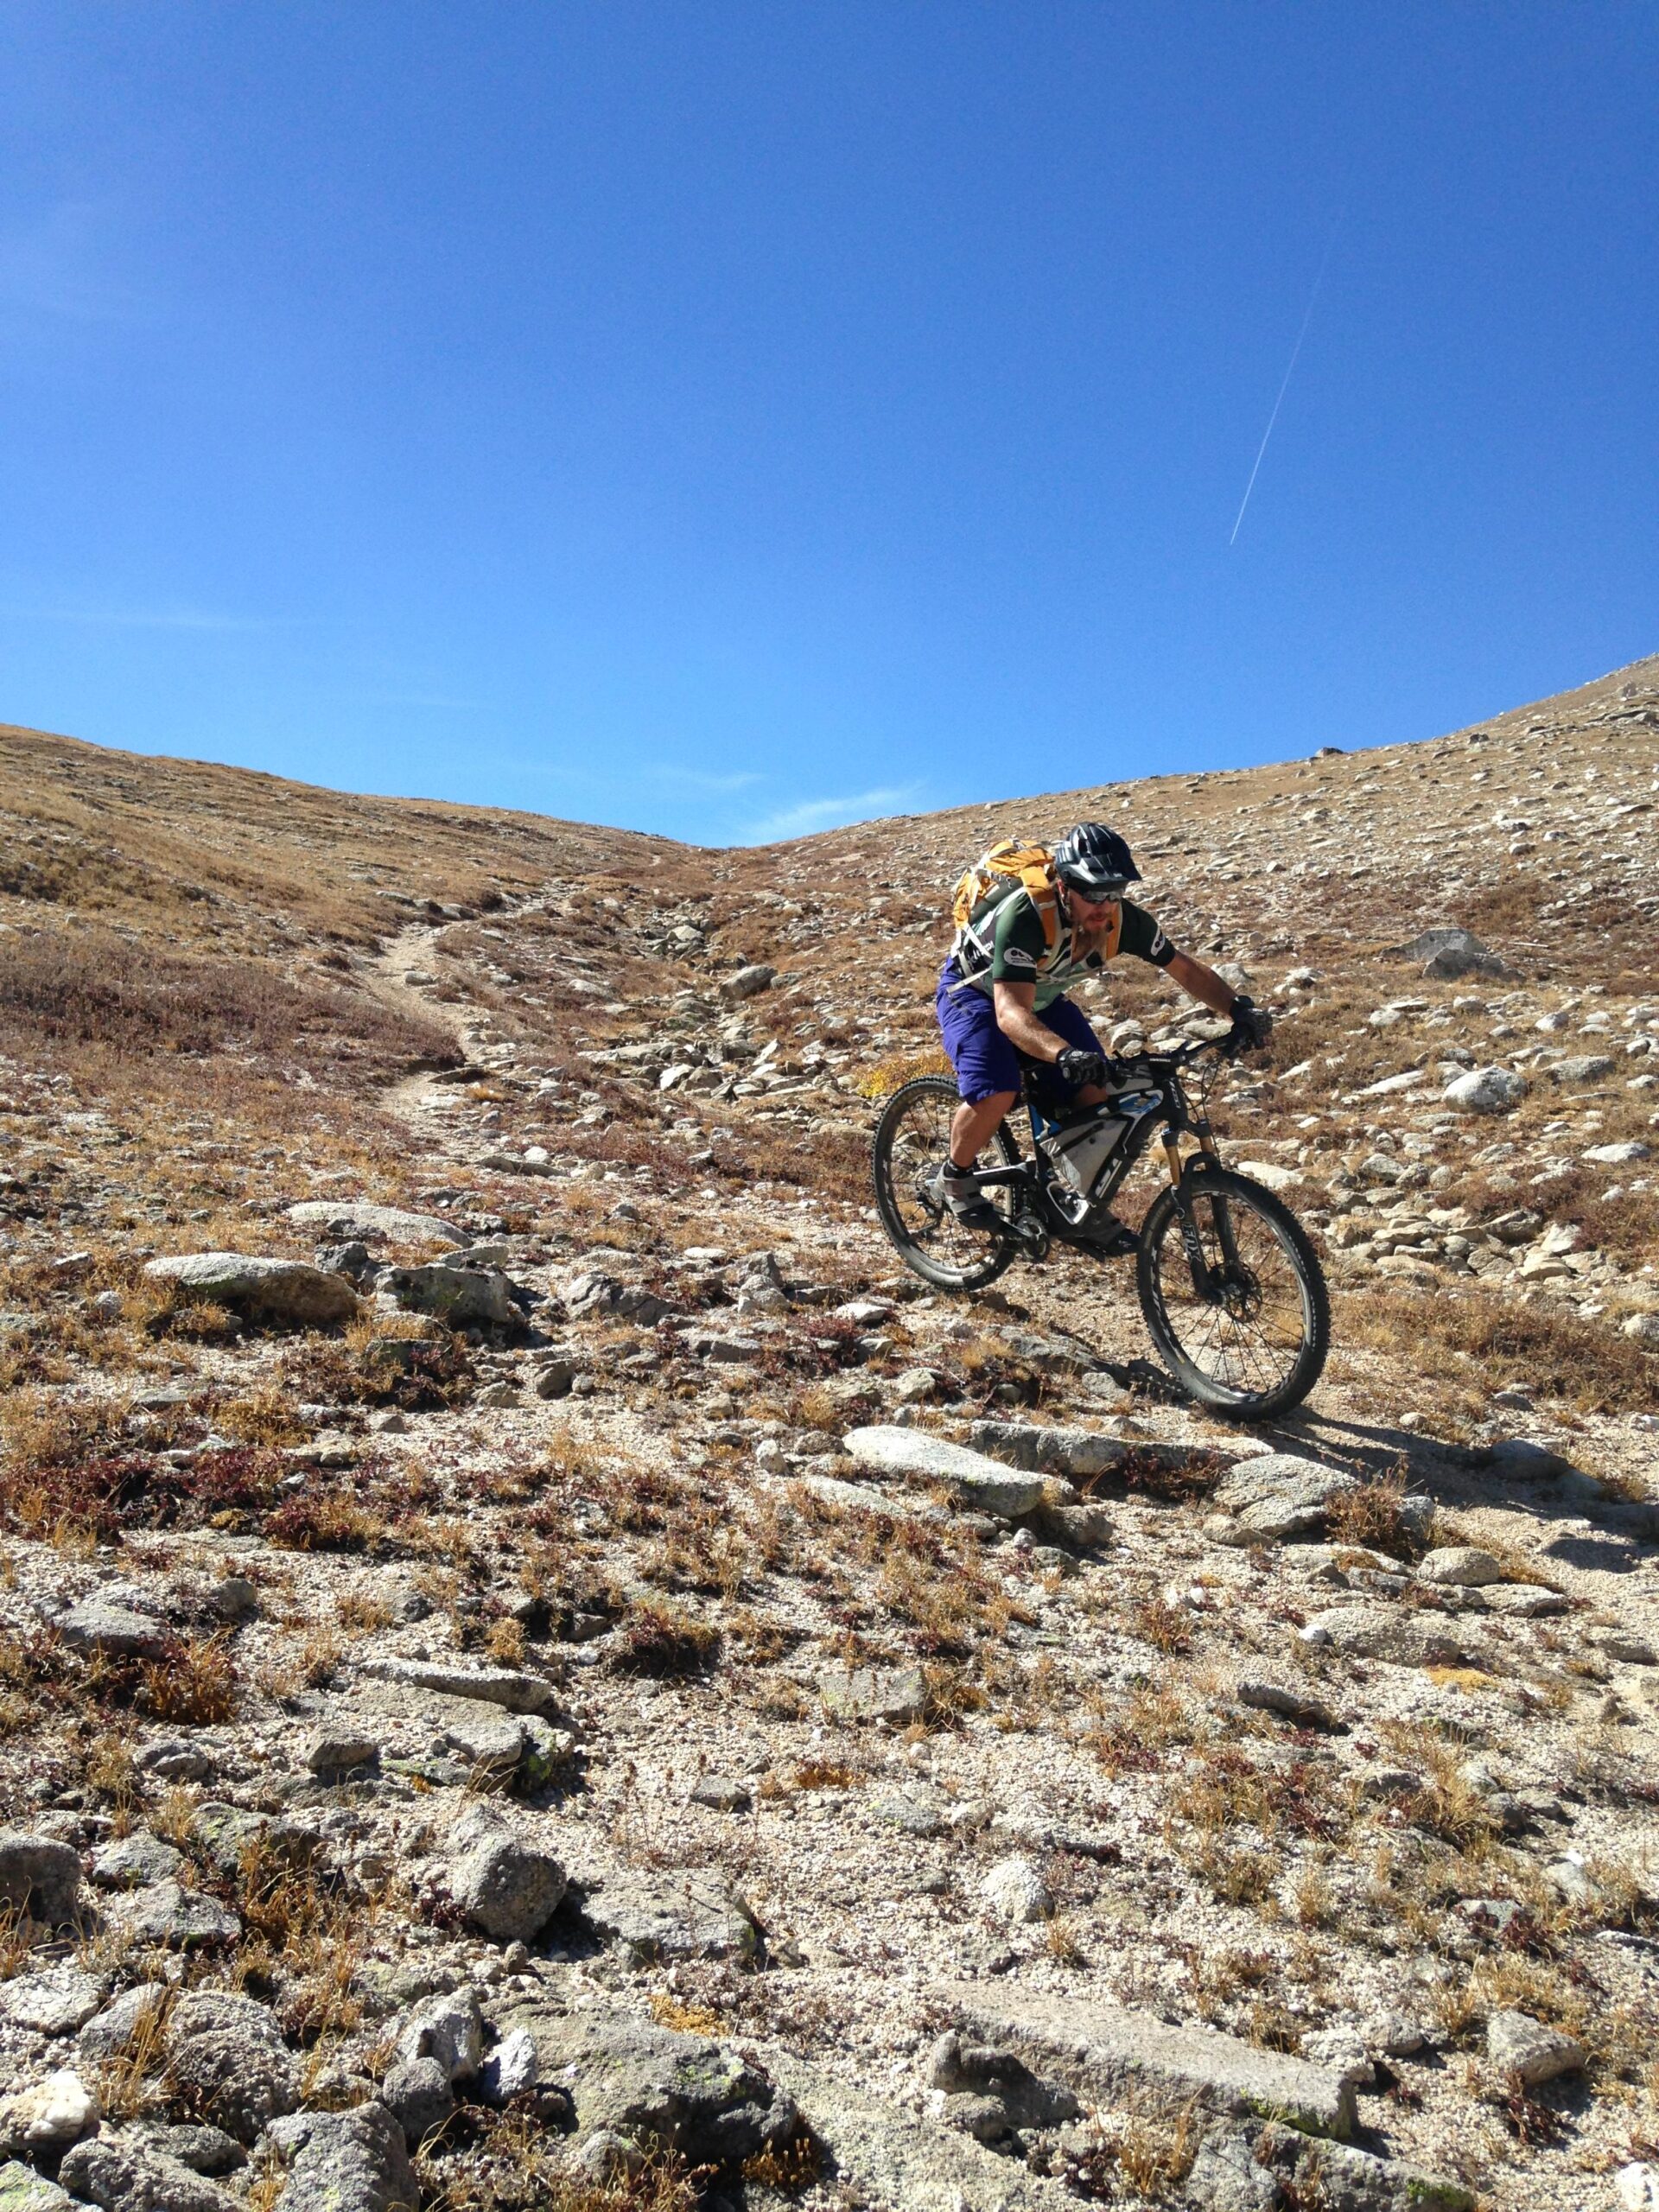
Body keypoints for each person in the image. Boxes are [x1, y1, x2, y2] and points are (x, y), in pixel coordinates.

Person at [931, 823, 1269, 1247]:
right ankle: (956, 1177)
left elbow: (1182, 967)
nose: (1105, 906)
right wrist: (1062, 1054)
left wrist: (1237, 1009)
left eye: (1115, 893)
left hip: (1041, 997)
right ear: (1063, 885)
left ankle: (1069, 1202)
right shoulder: (1027, 914)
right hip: (976, 994)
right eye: (1093, 894)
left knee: (1095, 1097)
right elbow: (1009, 1012)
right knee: (996, 1089)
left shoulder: (1123, 922)